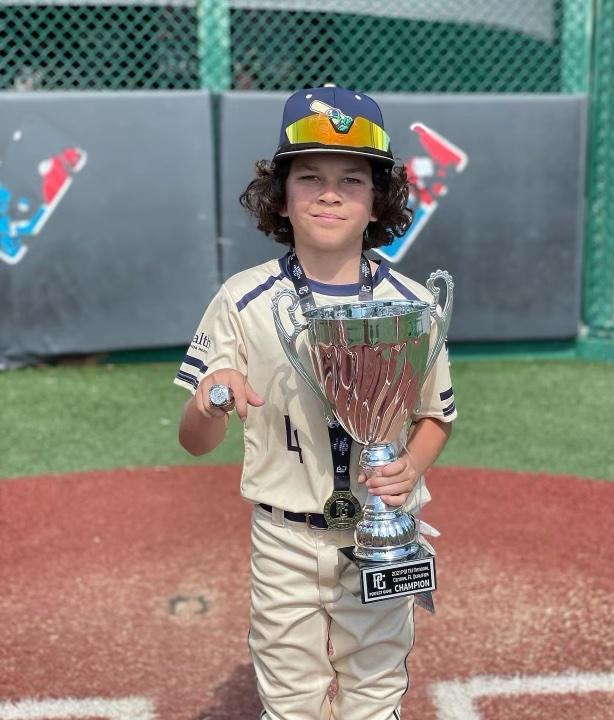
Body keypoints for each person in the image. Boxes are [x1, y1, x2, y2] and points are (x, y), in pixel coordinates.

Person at [175, 85, 457, 720]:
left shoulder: (412, 304)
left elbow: (436, 417)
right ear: (280, 194)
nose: (330, 194)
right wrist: (212, 399)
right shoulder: (243, 299)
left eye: (352, 179)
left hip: (382, 534)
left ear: (378, 199)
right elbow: (194, 440)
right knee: (290, 702)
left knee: (375, 696)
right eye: (310, 177)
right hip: (286, 539)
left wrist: (410, 466)